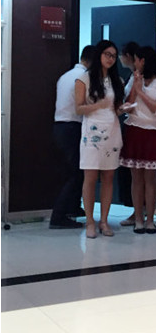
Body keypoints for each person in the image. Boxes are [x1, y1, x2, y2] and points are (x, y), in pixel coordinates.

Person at [75, 40, 124, 239]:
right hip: (92, 131)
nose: (110, 59)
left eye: (114, 56)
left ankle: (104, 221)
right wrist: (98, 105)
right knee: (90, 177)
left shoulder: (117, 80)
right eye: (107, 54)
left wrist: (123, 109)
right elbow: (78, 108)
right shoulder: (84, 79)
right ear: (99, 55)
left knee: (109, 177)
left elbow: (117, 109)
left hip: (112, 130)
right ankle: (90, 221)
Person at [120, 46, 156, 234]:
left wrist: (141, 91)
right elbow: (128, 106)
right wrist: (135, 87)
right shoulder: (134, 78)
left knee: (150, 178)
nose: (135, 64)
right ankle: (138, 219)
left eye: (137, 60)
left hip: (154, 132)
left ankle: (150, 220)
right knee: (136, 178)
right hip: (134, 129)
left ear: (143, 60)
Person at [49, 45, 95, 229]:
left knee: (73, 171)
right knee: (76, 173)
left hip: (60, 126)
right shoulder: (83, 78)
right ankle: (59, 216)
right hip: (73, 127)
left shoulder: (65, 76)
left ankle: (73, 208)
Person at [118, 41, 140, 225]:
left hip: (135, 124)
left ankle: (138, 211)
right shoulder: (133, 75)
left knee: (135, 172)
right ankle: (138, 211)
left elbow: (130, 101)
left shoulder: (137, 76)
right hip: (131, 123)